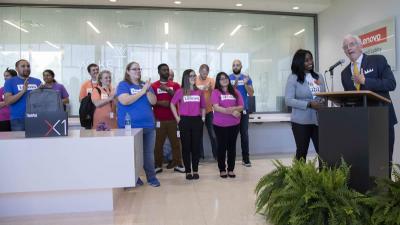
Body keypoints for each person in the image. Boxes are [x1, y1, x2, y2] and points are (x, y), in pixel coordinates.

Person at [341, 34, 397, 176]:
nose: (349, 48)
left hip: (381, 120)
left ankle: (384, 196)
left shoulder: (378, 60)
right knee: (363, 163)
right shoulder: (344, 73)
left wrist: (366, 81)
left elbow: (391, 84)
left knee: (382, 163)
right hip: (359, 124)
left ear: (361, 46)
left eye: (352, 44)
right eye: (345, 47)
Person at [116, 61, 160, 187]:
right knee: (132, 154)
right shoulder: (123, 85)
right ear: (128, 71)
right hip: (130, 127)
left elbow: (153, 101)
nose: (138, 71)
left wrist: (147, 90)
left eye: (139, 69)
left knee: (148, 154)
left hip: (148, 125)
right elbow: (124, 101)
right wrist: (142, 91)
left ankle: (151, 177)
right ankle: (133, 178)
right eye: (134, 69)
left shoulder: (145, 84)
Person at [285, 49, 325, 161]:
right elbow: (288, 100)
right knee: (302, 152)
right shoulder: (293, 77)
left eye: (311, 59)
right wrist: (309, 104)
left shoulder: (319, 76)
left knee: (323, 152)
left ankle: (324, 178)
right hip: (300, 122)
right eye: (306, 60)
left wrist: (322, 102)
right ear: (299, 62)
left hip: (318, 120)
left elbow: (324, 95)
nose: (310, 62)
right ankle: (299, 178)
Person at [171, 69, 206, 180]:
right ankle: (188, 171)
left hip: (197, 120)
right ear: (186, 77)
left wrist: (203, 119)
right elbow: (172, 104)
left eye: (194, 75)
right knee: (186, 147)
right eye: (190, 76)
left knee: (196, 147)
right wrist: (177, 118)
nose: (193, 77)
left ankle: (195, 170)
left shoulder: (199, 92)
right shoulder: (180, 91)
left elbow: (203, 106)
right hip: (184, 121)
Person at [151, 63, 185, 173]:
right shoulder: (153, 86)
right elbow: (151, 100)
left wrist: (168, 90)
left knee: (175, 142)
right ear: (159, 72)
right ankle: (157, 165)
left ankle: (178, 164)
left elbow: (180, 97)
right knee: (158, 143)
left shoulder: (175, 85)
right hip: (159, 119)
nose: (166, 71)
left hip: (173, 119)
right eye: (163, 70)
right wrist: (161, 103)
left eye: (167, 70)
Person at [212, 72, 244, 178]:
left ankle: (231, 169)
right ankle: (222, 169)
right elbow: (216, 107)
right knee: (221, 147)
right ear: (218, 81)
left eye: (225, 78)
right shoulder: (216, 92)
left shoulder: (235, 91)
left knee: (232, 147)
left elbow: (241, 106)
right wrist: (231, 111)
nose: (224, 80)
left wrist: (234, 109)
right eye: (221, 79)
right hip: (219, 125)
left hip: (234, 124)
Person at [4, 60, 41, 131]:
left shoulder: (37, 81)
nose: (26, 68)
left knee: (36, 142)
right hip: (18, 119)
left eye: (28, 66)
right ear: (16, 68)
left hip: (36, 117)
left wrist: (41, 93)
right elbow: (8, 102)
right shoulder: (10, 82)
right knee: (19, 142)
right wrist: (23, 91)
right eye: (23, 66)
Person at [229, 60, 254, 167]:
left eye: (237, 65)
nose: (235, 66)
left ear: (241, 66)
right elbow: (227, 93)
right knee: (231, 136)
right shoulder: (228, 78)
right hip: (232, 111)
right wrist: (234, 85)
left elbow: (251, 93)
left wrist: (245, 84)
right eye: (233, 65)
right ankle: (231, 159)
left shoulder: (246, 77)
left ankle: (246, 159)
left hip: (244, 110)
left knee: (244, 135)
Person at [196, 64, 218, 160]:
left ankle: (216, 155)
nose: (204, 75)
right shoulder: (195, 79)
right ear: (199, 71)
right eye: (203, 73)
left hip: (209, 111)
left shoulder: (211, 80)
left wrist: (209, 88)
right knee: (198, 135)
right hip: (197, 112)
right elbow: (191, 91)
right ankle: (201, 156)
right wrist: (202, 88)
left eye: (206, 73)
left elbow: (216, 93)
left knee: (213, 134)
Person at [162, 69, 175, 165]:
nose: (169, 77)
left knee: (172, 140)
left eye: (171, 75)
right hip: (161, 118)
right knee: (163, 140)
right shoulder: (158, 86)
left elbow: (179, 98)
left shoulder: (176, 86)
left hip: (173, 117)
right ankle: (163, 158)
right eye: (168, 75)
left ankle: (171, 159)